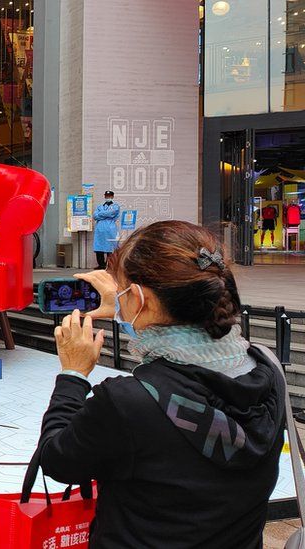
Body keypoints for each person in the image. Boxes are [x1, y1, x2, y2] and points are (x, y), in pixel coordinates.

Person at [39, 220, 283, 547]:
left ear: (141, 299)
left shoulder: (128, 403)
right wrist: (127, 309)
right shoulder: (268, 370)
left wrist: (73, 374)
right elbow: (185, 349)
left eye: (122, 291)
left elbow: (58, 459)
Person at [92, 190, 120, 269]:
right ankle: (101, 265)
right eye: (107, 196)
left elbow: (112, 213)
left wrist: (101, 214)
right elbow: (95, 216)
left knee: (110, 248)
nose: (108, 197)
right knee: (99, 248)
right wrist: (106, 214)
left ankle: (110, 265)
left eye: (110, 196)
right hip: (100, 230)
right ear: (104, 196)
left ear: (112, 197)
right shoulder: (99, 206)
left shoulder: (115, 206)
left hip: (110, 229)